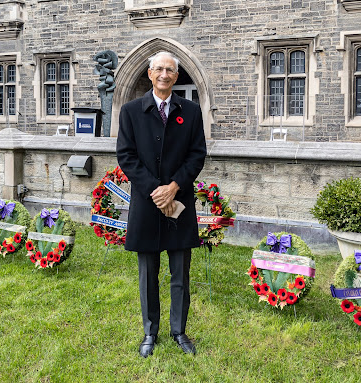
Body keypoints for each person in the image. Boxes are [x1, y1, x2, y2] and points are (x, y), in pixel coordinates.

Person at [116, 51, 207, 357]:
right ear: (150, 73)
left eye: (170, 70)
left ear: (176, 77)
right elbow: (126, 156)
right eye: (159, 69)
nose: (165, 74)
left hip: (178, 202)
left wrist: (173, 187)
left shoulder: (191, 112)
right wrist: (156, 190)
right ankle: (149, 332)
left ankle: (179, 331)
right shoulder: (130, 112)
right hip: (147, 202)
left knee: (180, 272)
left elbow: (197, 155)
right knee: (147, 272)